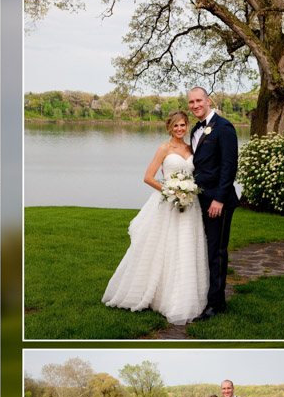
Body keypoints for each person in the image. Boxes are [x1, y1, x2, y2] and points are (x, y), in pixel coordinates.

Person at [102, 111, 208, 324]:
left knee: (186, 246)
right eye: (175, 125)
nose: (179, 129)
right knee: (163, 247)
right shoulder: (164, 148)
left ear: (187, 126)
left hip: (190, 205)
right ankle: (156, 294)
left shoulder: (191, 149)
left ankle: (183, 297)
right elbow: (148, 177)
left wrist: (186, 192)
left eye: (183, 125)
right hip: (169, 202)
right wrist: (171, 191)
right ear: (169, 127)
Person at [187, 86, 240, 322]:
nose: (195, 105)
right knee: (202, 250)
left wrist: (219, 199)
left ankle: (216, 304)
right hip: (198, 200)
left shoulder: (224, 127)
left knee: (216, 252)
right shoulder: (195, 130)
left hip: (218, 202)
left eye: (199, 100)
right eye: (191, 102)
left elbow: (229, 166)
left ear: (208, 101)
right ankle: (205, 296)